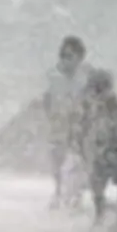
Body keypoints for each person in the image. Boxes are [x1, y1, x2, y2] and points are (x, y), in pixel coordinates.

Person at [76, 68, 117, 230]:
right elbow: (86, 127)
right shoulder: (95, 106)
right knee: (97, 185)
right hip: (103, 149)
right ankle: (101, 217)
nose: (94, 95)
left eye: (95, 90)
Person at [43, 36, 93, 210]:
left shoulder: (87, 74)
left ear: (80, 57)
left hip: (80, 120)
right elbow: (47, 97)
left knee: (80, 159)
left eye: (70, 56)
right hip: (58, 119)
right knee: (56, 157)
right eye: (63, 55)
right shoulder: (52, 74)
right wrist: (49, 115)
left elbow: (93, 97)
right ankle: (57, 191)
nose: (65, 60)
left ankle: (77, 195)